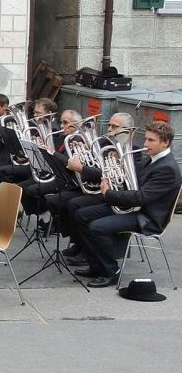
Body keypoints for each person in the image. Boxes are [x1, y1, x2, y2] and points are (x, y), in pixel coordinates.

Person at [72, 121, 181, 288]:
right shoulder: (152, 159)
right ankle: (96, 266)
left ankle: (110, 271)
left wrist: (109, 193)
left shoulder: (167, 168)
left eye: (151, 140)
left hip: (147, 217)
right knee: (81, 215)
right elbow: (130, 180)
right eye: (145, 139)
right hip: (134, 209)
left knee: (97, 227)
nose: (145, 144)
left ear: (165, 142)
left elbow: (142, 197)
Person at [57, 112, 133, 263]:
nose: (110, 129)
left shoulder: (131, 152)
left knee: (76, 206)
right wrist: (84, 151)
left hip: (115, 196)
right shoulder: (104, 145)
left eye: (114, 126)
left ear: (127, 130)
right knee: (70, 204)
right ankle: (80, 244)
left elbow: (104, 173)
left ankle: (87, 251)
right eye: (109, 125)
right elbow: (97, 167)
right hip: (101, 191)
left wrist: (81, 169)